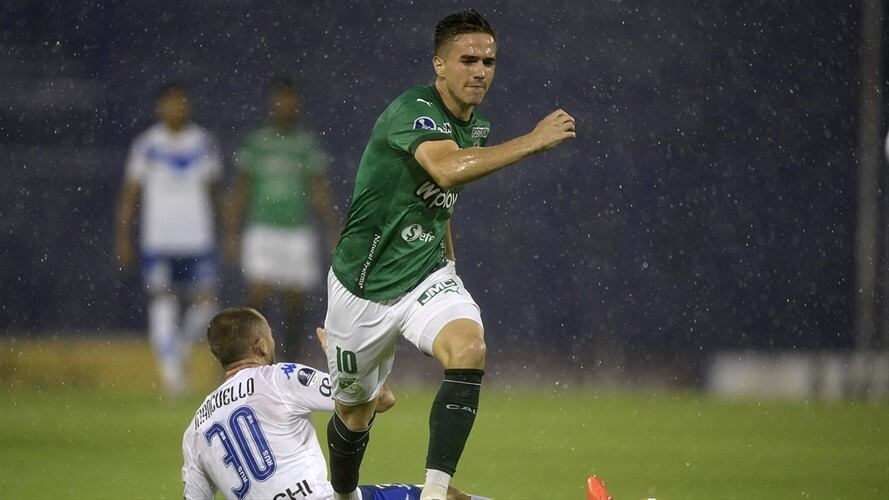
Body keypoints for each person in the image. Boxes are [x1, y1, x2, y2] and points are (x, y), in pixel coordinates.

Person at [323, 9, 576, 500]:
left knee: (469, 348)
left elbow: (441, 204)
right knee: (354, 411)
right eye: (468, 59)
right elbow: (445, 172)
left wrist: (450, 264)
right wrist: (532, 140)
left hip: (425, 277)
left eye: (489, 61)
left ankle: (435, 493)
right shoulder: (411, 111)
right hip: (362, 288)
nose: (480, 70)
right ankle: (340, 494)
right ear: (439, 65)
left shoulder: (475, 127)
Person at [181, 307, 491, 500]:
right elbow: (380, 399)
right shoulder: (279, 378)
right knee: (444, 496)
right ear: (261, 345)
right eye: (271, 338)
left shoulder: (195, 430)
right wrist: (340, 357)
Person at [115, 82, 222, 396]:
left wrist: (227, 232)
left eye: (180, 102)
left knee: (206, 306)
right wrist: (123, 235)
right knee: (162, 302)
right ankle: (172, 377)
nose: (175, 108)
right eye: (169, 103)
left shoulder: (203, 142)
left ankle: (180, 350)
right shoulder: (147, 145)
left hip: (197, 240)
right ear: (159, 107)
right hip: (158, 241)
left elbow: (216, 192)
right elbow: (130, 194)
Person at [225, 76, 339, 359]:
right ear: (271, 103)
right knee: (258, 295)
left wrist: (333, 227)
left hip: (296, 230)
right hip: (263, 228)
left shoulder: (305, 144)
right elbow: (241, 188)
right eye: (279, 99)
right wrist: (231, 230)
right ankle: (253, 360)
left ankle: (290, 361)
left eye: (290, 100)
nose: (284, 105)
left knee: (295, 300)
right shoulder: (257, 143)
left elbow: (318, 189)